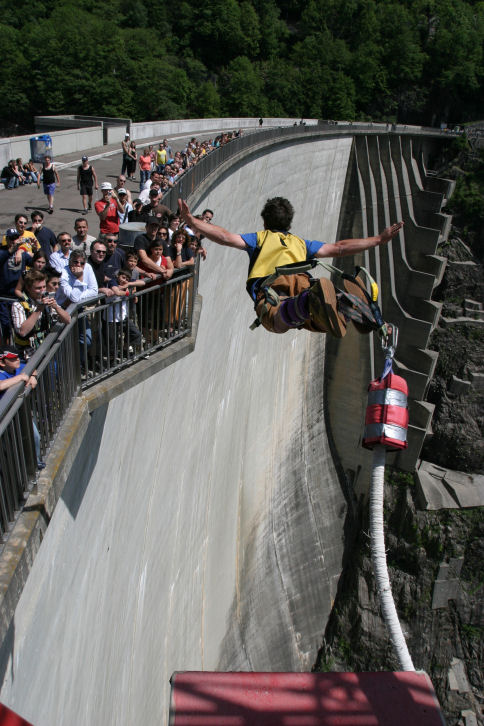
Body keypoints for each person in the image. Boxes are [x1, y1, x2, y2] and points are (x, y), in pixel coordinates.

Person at [179, 196, 403, 337]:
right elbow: (339, 247)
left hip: (272, 286)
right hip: (304, 282)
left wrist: (192, 221)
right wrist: (377, 240)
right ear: (289, 224)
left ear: (265, 223)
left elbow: (226, 237)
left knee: (275, 320)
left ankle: (309, 304)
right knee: (319, 320)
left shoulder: (260, 238)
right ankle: (355, 311)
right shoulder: (301, 243)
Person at [0, 347, 45, 469]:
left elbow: (32, 366)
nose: (17, 360)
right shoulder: (2, 373)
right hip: (5, 418)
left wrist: (33, 376)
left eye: (16, 356)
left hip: (20, 413)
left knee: (35, 436)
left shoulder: (19, 367)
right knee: (10, 449)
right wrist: (19, 378)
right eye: (12, 359)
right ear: (2, 362)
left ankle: (36, 462)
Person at [11, 270, 70, 358]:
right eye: (38, 288)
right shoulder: (18, 305)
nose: (42, 291)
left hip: (48, 352)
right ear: (28, 288)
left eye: (44, 287)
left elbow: (68, 320)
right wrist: (39, 309)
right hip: (29, 356)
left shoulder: (48, 299)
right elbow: (22, 332)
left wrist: (56, 307)